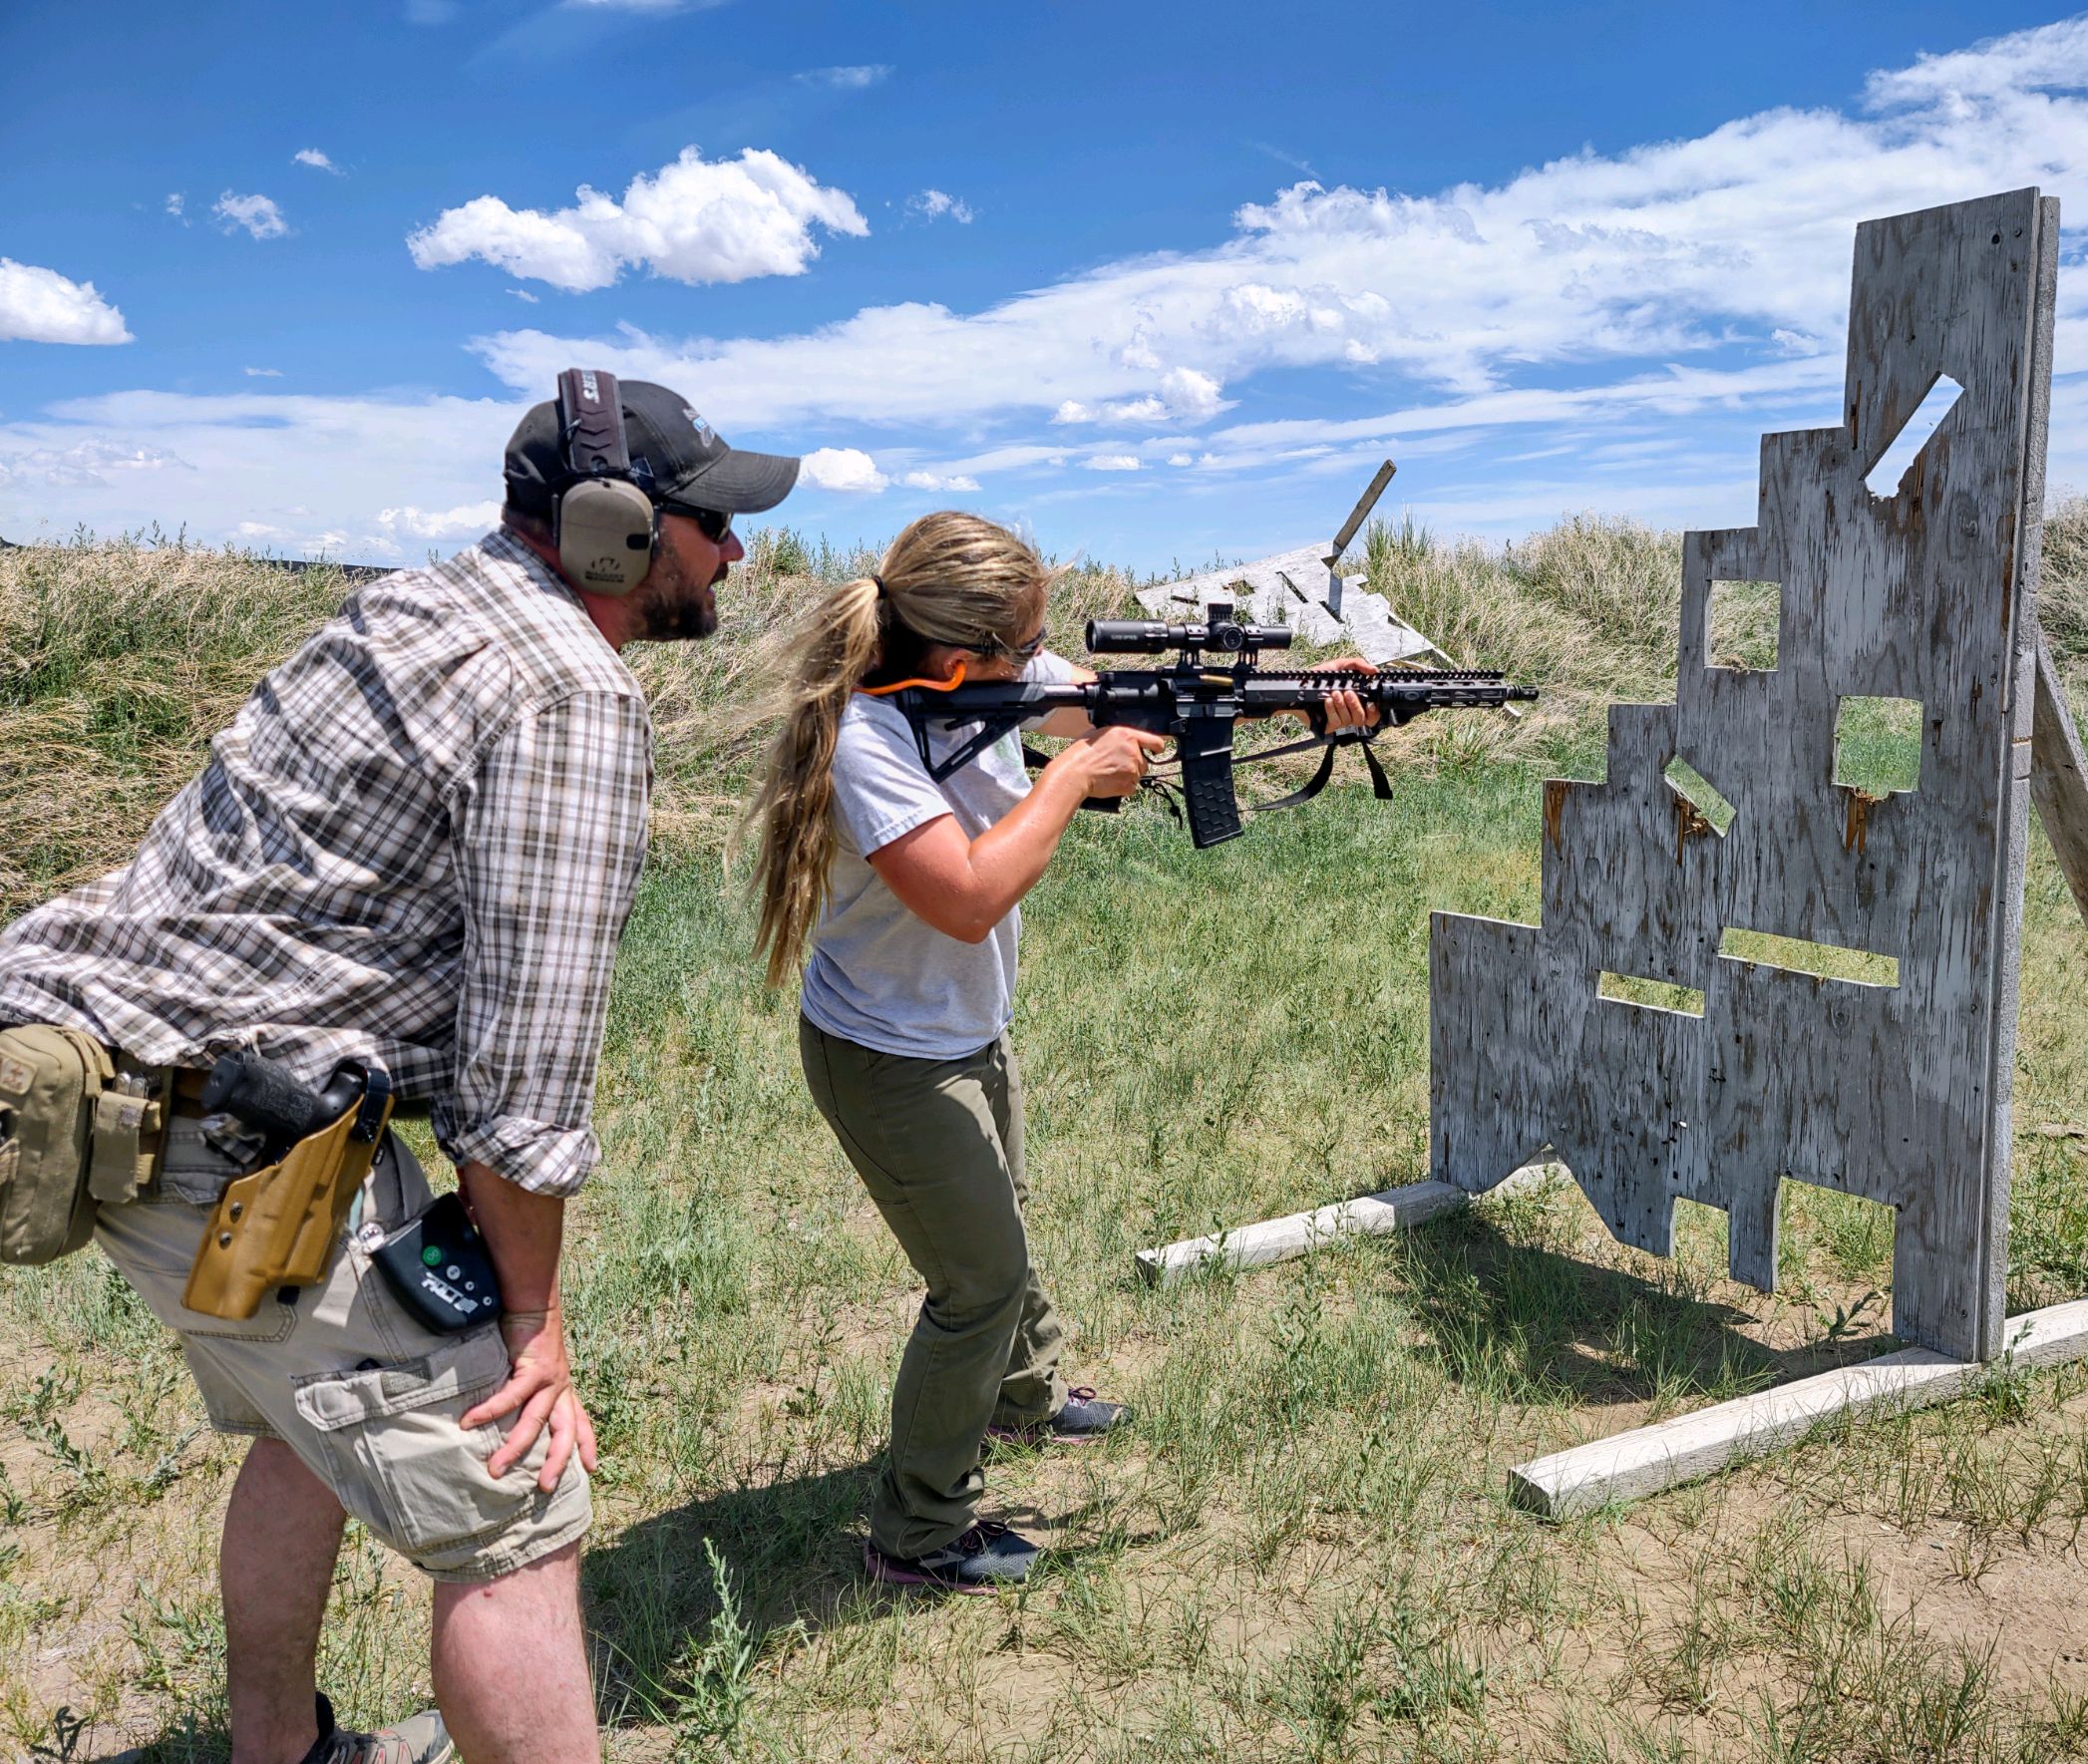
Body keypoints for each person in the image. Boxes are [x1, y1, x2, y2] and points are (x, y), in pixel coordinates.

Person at [0, 380, 797, 1764]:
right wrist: (534, 1323)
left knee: (304, 1438)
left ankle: (279, 1752)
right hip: (231, 1131)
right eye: (710, 522)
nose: (734, 555)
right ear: (613, 530)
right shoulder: (566, 691)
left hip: (159, 1096)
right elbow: (524, 1077)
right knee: (516, 1501)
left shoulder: (413, 605)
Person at [742, 511, 1376, 1593]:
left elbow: (1123, 706)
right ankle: (917, 1529)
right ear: (957, 659)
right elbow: (966, 894)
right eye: (1020, 648)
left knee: (1004, 1213)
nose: (1041, 663)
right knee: (977, 1280)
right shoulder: (870, 739)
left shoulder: (993, 674)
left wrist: (1307, 691)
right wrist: (1070, 778)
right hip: (887, 1052)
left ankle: (1024, 1397)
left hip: (956, 1026)